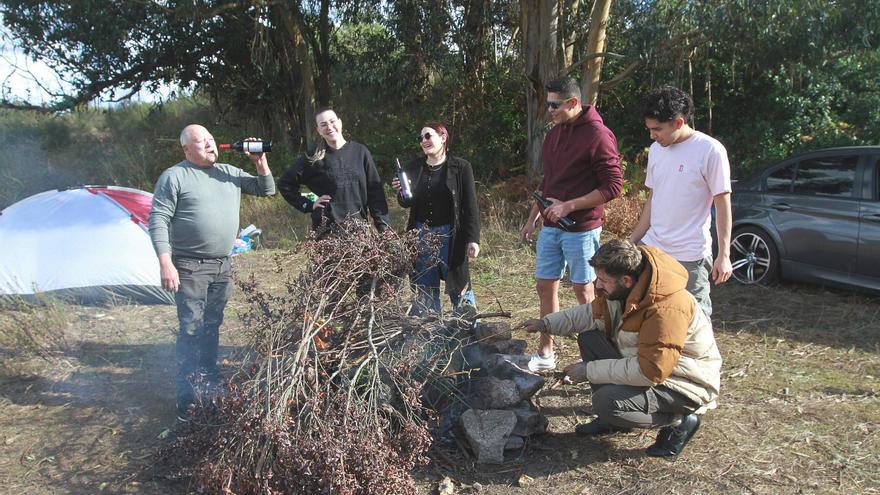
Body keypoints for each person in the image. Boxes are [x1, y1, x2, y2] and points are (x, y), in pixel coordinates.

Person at [518, 239, 721, 457]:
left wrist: (588, 370)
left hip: (682, 382)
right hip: (648, 365)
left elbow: (650, 370)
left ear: (626, 280)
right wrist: (546, 324)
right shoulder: (625, 289)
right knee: (590, 339)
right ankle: (615, 421)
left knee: (606, 401)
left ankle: (679, 420)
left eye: (603, 280)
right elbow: (589, 314)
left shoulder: (667, 308)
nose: (597, 285)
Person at [149, 124, 276, 421]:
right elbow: (158, 220)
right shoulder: (175, 176)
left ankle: (209, 384)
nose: (209, 144)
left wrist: (260, 162)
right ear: (186, 149)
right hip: (189, 266)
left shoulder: (228, 172)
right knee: (191, 329)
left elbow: (266, 189)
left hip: (222, 264)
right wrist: (165, 262)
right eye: (201, 141)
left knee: (212, 325)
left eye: (211, 139)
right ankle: (188, 398)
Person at [519, 76, 623, 372]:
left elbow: (613, 186)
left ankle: (595, 356)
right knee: (544, 286)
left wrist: (570, 205)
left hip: (582, 229)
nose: (549, 110)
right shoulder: (554, 136)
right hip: (550, 229)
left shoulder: (598, 135)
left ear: (573, 102)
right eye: (547, 103)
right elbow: (548, 183)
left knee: (585, 292)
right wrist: (532, 219)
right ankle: (546, 351)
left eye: (554, 104)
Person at [629, 86, 732, 317]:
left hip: (690, 255)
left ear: (678, 122)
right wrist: (634, 239)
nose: (652, 136)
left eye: (657, 129)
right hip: (653, 249)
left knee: (695, 321)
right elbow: (654, 199)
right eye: (649, 129)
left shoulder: (710, 150)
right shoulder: (656, 150)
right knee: (650, 315)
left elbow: (722, 204)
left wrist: (723, 255)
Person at [392, 122, 480, 314]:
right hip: (421, 237)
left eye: (428, 136)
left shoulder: (461, 167)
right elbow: (407, 202)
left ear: (443, 137)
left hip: (452, 236)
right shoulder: (414, 168)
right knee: (425, 293)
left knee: (460, 288)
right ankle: (431, 339)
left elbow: (470, 206)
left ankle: (471, 334)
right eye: (420, 138)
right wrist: (401, 191)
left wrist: (473, 239)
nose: (424, 141)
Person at [278, 107, 390, 233]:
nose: (329, 127)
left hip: (359, 232)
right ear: (318, 130)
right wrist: (309, 204)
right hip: (327, 234)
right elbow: (285, 184)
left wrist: (384, 227)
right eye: (323, 125)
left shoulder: (360, 152)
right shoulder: (312, 158)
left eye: (332, 122)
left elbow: (375, 193)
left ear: (340, 122)